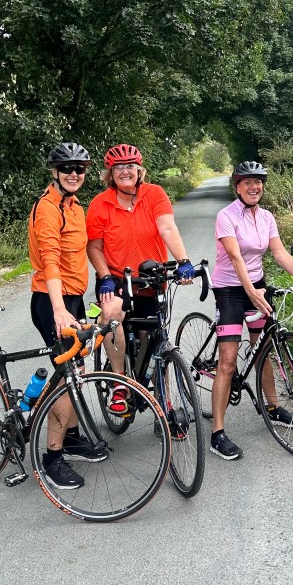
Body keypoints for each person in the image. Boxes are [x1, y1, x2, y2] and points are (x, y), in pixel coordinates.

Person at [210, 160, 293, 461]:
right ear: (237, 187)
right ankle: (218, 432)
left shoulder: (267, 217)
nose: (254, 186)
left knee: (264, 349)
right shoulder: (226, 216)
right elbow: (234, 257)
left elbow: (280, 253)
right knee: (228, 362)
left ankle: (272, 406)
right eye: (247, 182)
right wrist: (250, 292)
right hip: (231, 290)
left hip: (257, 285)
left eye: (258, 182)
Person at [86, 144, 194, 411]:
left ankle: (165, 406)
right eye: (119, 167)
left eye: (130, 166)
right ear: (110, 174)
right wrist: (104, 276)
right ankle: (120, 385)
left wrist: (183, 261)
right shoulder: (100, 204)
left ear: (139, 170)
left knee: (156, 337)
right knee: (111, 314)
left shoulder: (154, 194)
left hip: (150, 276)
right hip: (116, 277)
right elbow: (94, 246)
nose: (125, 171)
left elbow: (167, 227)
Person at [28, 142, 105, 491]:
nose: (75, 174)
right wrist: (60, 309)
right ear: (54, 172)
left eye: (80, 168)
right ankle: (52, 458)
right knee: (65, 378)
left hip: (73, 299)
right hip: (50, 300)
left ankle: (72, 438)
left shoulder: (76, 207)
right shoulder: (47, 209)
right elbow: (50, 261)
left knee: (79, 371)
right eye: (67, 168)